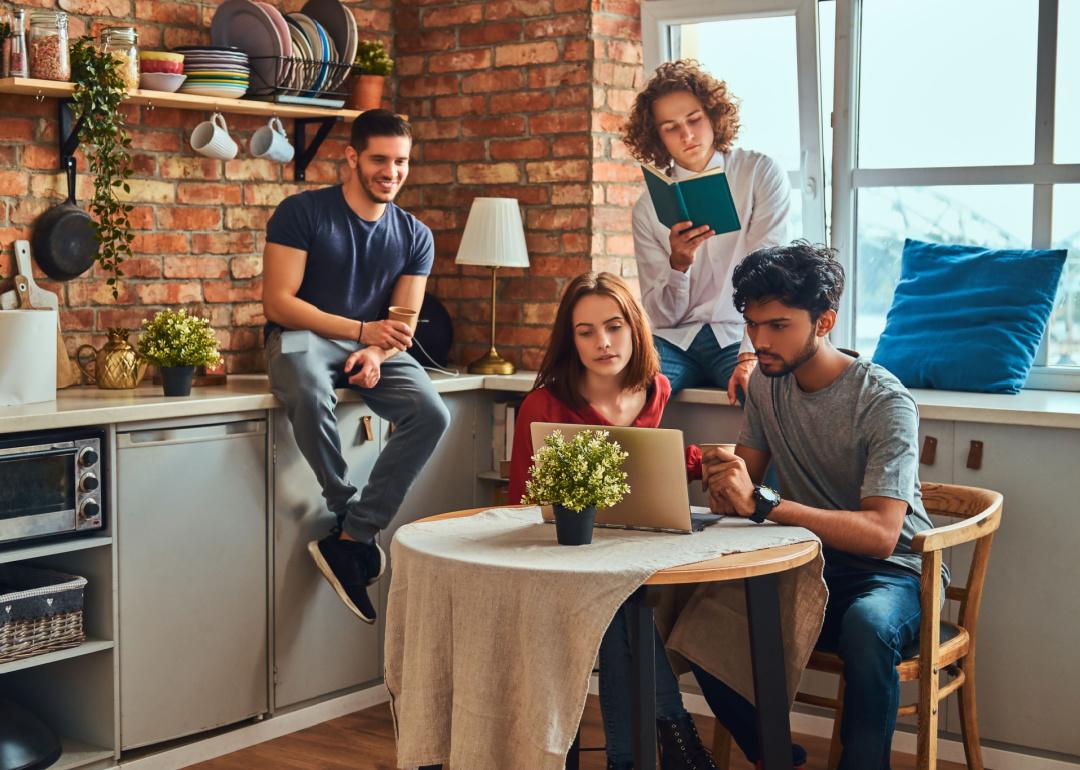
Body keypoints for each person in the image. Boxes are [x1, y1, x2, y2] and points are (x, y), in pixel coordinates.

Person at [695, 241, 946, 770]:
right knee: (700, 618)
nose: (760, 341)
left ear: (824, 321)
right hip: (807, 561)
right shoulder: (766, 382)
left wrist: (762, 503)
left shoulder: (884, 401)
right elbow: (747, 492)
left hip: (893, 573)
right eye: (753, 324)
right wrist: (717, 477)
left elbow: (881, 534)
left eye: (778, 325)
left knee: (868, 627)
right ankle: (774, 756)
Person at [507, 272, 717, 770]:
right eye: (585, 332)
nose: (602, 342)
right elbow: (522, 503)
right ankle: (674, 737)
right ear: (570, 338)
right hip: (560, 564)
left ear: (634, 328)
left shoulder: (656, 388)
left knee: (627, 599)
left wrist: (701, 462)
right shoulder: (543, 404)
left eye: (614, 326)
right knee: (625, 603)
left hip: (629, 552)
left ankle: (639, 755)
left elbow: (636, 465)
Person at [262, 109, 450, 625]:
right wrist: (361, 332)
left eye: (401, 162)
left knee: (432, 413)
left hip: (372, 346)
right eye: (379, 160)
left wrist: (376, 351)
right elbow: (278, 303)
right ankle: (345, 507)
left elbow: (403, 322)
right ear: (351, 158)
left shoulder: (415, 235)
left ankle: (354, 536)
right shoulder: (301, 213)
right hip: (302, 339)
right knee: (304, 383)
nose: (391, 172)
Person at [623, 59, 792, 401]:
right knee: (626, 393)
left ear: (713, 114)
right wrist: (679, 264)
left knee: (764, 394)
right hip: (673, 341)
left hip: (738, 335)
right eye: (670, 127)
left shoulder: (758, 174)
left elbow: (770, 276)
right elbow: (660, 316)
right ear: (657, 136)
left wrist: (749, 355)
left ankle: (748, 458)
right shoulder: (647, 208)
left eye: (694, 119)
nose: (686, 135)